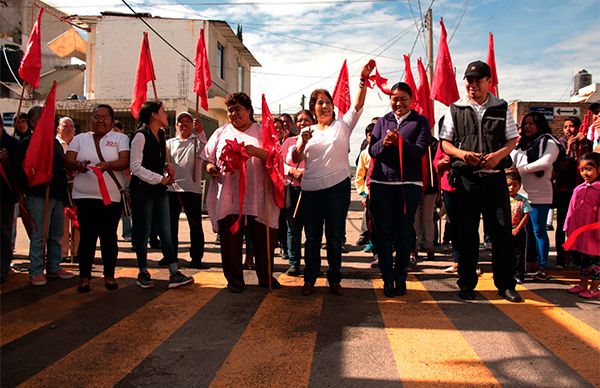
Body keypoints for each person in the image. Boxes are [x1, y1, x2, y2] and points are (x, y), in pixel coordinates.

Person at [439, 60, 522, 302]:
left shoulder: (501, 107)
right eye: (469, 80)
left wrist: (497, 157)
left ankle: (506, 285)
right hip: (467, 179)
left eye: (478, 80)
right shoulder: (455, 108)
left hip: (495, 180)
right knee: (466, 234)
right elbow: (445, 142)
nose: (473, 85)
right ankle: (466, 284)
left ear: (489, 82)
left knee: (501, 233)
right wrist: (463, 155)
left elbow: (512, 140)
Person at [290, 61, 374, 296]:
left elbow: (357, 104)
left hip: (337, 189)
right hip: (312, 191)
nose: (324, 106)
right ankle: (310, 280)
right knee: (313, 237)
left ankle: (334, 279)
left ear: (333, 106)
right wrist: (303, 141)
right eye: (320, 103)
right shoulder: (306, 132)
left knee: (335, 237)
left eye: (327, 102)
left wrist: (363, 79)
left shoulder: (343, 125)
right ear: (313, 108)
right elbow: (296, 156)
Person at [201, 92, 280, 293]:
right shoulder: (221, 133)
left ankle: (265, 276)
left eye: (238, 109)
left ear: (249, 111)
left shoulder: (262, 132)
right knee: (230, 241)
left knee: (263, 240)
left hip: (259, 196)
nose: (233, 114)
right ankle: (234, 279)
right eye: (230, 110)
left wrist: (256, 151)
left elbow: (276, 157)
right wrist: (211, 169)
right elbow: (207, 160)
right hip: (229, 195)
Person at [368, 82, 431, 298]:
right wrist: (385, 143)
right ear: (390, 99)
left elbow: (420, 151)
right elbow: (372, 151)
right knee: (383, 234)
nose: (399, 103)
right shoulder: (382, 121)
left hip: (409, 185)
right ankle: (387, 278)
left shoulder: (420, 122)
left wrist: (400, 142)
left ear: (411, 100)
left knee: (405, 232)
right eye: (395, 98)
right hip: (381, 185)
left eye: (403, 99)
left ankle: (401, 276)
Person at [130, 101, 194, 289]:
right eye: (163, 112)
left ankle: (174, 271)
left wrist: (167, 166)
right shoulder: (140, 136)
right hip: (143, 191)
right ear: (153, 116)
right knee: (143, 232)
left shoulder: (160, 135)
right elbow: (135, 167)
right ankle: (142, 271)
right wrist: (159, 178)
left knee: (166, 232)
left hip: (159, 191)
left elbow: (160, 160)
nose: (166, 115)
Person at [65, 105, 130, 292]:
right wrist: (79, 165)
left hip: (111, 199)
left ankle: (109, 276)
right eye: (97, 116)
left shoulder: (120, 138)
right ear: (91, 119)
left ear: (111, 120)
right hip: (84, 197)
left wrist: (107, 165)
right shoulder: (80, 139)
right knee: (87, 238)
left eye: (105, 117)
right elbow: (67, 160)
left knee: (109, 238)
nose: (100, 120)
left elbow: (124, 161)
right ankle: (84, 278)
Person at [13, 106, 75, 286]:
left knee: (57, 233)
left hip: (56, 194)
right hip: (38, 194)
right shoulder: (27, 142)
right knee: (39, 233)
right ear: (33, 122)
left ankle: (54, 266)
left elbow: (62, 163)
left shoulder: (54, 142)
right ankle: (36, 270)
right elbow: (19, 170)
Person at [511, 112, 561, 281]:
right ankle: (527, 264)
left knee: (539, 231)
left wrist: (518, 170)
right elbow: (511, 162)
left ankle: (542, 266)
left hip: (540, 194)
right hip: (520, 195)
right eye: (525, 123)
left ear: (540, 124)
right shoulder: (521, 144)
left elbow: (545, 163)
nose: (527, 126)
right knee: (525, 233)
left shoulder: (549, 142)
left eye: (532, 123)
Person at [166, 112, 207, 269]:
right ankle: (171, 256)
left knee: (195, 225)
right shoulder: (170, 143)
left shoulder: (197, 142)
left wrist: (201, 131)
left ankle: (196, 257)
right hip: (172, 188)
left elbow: (206, 150)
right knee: (171, 225)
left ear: (192, 124)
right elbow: (165, 161)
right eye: (180, 122)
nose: (184, 124)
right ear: (176, 125)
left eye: (188, 121)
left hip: (192, 189)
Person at [281, 109, 314, 276]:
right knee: (293, 229)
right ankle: (294, 262)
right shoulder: (288, 142)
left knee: (311, 230)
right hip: (293, 189)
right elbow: (280, 163)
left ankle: (311, 264)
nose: (303, 123)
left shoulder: (319, 141)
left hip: (313, 189)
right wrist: (292, 172)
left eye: (307, 119)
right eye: (300, 120)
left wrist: (307, 174)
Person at [555, 116, 591, 267]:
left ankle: (578, 258)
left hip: (583, 190)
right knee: (562, 223)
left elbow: (591, 162)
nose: (568, 130)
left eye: (571, 126)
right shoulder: (560, 144)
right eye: (565, 127)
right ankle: (561, 259)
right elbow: (560, 168)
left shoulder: (587, 143)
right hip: (564, 190)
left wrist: (583, 145)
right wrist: (569, 150)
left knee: (578, 226)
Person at [564, 152, 600, 299]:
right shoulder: (579, 189)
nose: (585, 172)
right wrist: (568, 227)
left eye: (589, 169)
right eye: (582, 169)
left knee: (596, 263)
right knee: (584, 260)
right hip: (582, 233)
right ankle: (583, 284)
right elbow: (571, 211)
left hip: (595, 234)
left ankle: (595, 287)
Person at [56, 117, 80, 261]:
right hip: (60, 187)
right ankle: (63, 253)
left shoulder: (79, 143)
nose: (69, 129)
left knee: (78, 220)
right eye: (65, 126)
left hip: (77, 186)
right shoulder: (54, 144)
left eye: (71, 126)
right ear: (58, 128)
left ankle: (77, 252)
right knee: (62, 221)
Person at [0, 117, 19, 283]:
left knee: (4, 235)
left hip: (4, 197)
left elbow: (19, 171)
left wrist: (7, 162)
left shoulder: (12, 144)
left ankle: (2, 270)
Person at [506, 171, 531, 284]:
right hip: (506, 231)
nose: (511, 188)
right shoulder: (503, 199)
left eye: (515, 185)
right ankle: (507, 273)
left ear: (519, 186)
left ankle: (519, 274)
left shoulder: (522, 200)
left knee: (519, 254)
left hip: (518, 230)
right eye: (508, 185)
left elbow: (526, 215)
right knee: (507, 253)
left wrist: (518, 228)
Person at [355, 124, 375, 253]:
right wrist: (363, 193)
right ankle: (371, 241)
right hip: (369, 192)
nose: (373, 137)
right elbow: (360, 175)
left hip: (384, 190)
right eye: (369, 135)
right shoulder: (364, 153)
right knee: (370, 220)